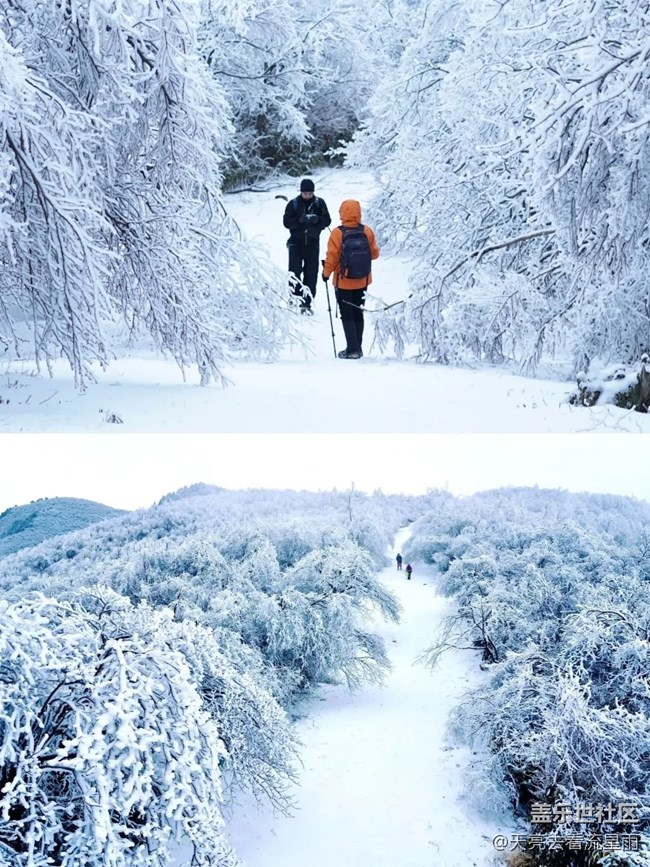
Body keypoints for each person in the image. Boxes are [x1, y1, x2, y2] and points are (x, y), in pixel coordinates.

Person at [322, 199, 380, 359]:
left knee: (346, 314)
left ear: (342, 213)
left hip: (343, 282)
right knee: (358, 312)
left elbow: (332, 257)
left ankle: (352, 349)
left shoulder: (337, 233)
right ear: (358, 213)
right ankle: (357, 348)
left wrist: (326, 274)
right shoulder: (367, 231)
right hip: (363, 280)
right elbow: (375, 254)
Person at [283, 178, 331, 313]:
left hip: (312, 244)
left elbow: (327, 220)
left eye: (310, 193)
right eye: (305, 193)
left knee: (311, 274)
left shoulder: (319, 203)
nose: (307, 196)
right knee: (294, 273)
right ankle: (294, 300)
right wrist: (299, 220)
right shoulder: (293, 204)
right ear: (301, 192)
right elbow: (286, 223)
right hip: (295, 243)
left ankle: (306, 303)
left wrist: (317, 220)